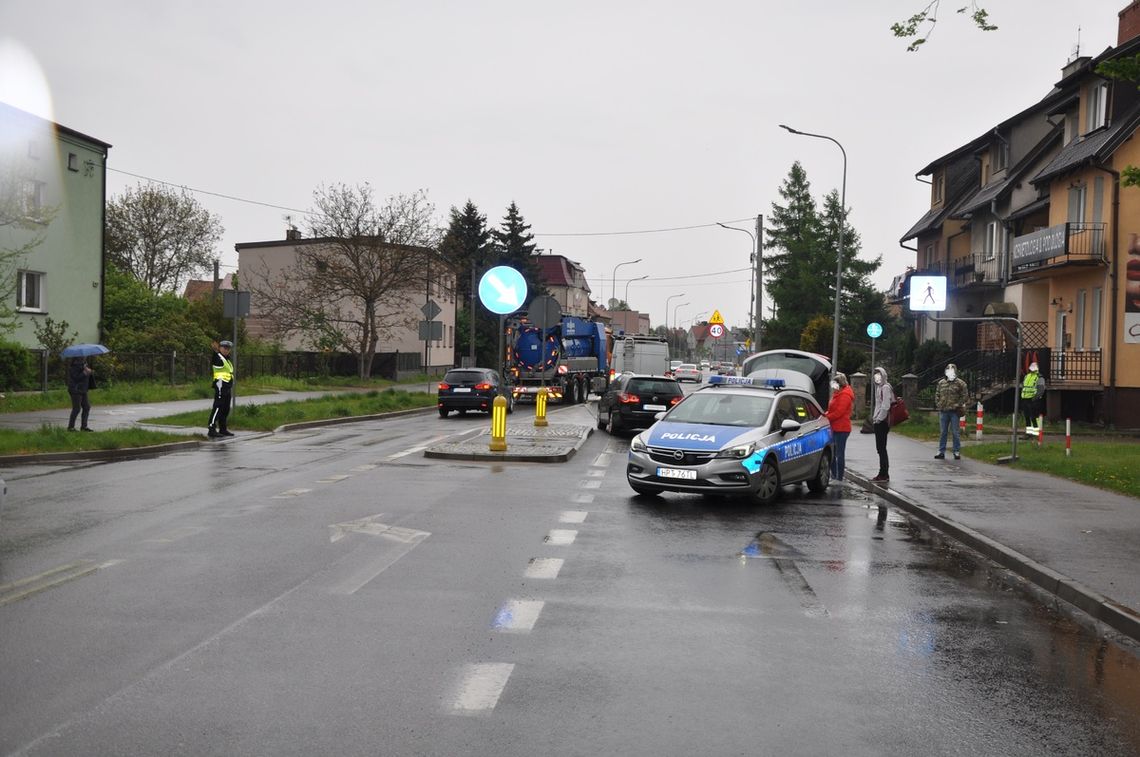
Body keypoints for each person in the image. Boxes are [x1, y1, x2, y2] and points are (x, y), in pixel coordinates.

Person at [934, 362, 969, 460]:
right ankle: (941, 451)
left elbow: (965, 396)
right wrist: (938, 403)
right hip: (943, 411)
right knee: (943, 432)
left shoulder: (960, 383)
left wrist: (958, 404)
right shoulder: (941, 383)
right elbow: (937, 394)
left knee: (955, 432)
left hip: (954, 411)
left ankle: (956, 451)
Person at [823, 372, 853, 482]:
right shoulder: (837, 393)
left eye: (835, 384)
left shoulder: (845, 395)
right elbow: (832, 410)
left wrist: (827, 417)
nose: (833, 386)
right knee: (833, 453)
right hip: (834, 427)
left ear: (839, 384)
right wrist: (826, 414)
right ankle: (834, 475)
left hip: (842, 429)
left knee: (839, 454)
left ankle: (839, 477)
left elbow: (839, 412)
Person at [870, 366, 894, 483]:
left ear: (883, 376)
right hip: (879, 421)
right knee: (880, 449)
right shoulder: (879, 387)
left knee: (881, 448)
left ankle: (883, 474)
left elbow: (885, 406)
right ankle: (883, 473)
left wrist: (879, 419)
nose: (877, 378)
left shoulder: (885, 387)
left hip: (882, 422)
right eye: (875, 376)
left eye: (879, 375)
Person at [207, 339, 235, 438]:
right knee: (218, 407)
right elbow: (215, 357)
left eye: (228, 348)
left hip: (227, 387)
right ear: (220, 348)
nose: (226, 350)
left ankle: (223, 429)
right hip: (220, 385)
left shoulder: (227, 359)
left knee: (225, 409)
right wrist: (215, 351)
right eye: (224, 348)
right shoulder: (218, 357)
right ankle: (211, 429)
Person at [66, 357, 94, 431]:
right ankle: (71, 427)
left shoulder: (84, 364)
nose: (86, 356)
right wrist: (85, 373)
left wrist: (89, 372)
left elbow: (86, 376)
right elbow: (76, 378)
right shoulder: (75, 365)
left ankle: (84, 427)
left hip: (83, 389)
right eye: (84, 355)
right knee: (76, 408)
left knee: (86, 407)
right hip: (76, 390)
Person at [1021, 361, 1045, 435]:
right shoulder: (1027, 376)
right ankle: (1029, 434)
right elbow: (1023, 386)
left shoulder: (1039, 377)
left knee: (1033, 417)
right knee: (1027, 417)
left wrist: (1034, 398)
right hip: (1025, 399)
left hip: (1033, 400)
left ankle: (1036, 433)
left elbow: (1041, 390)